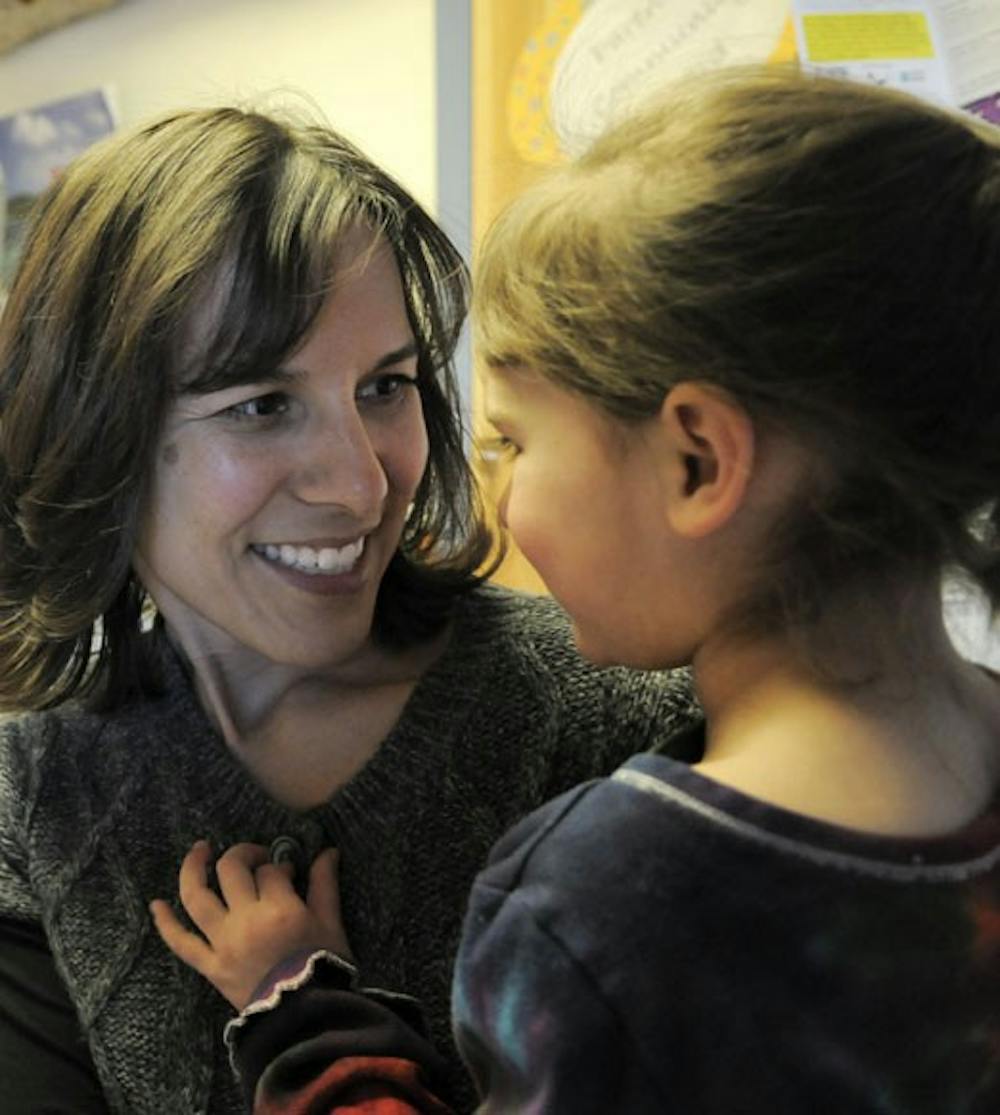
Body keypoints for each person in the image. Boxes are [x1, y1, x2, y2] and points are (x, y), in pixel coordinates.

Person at [155, 66, 1000, 1113]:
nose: (478, 489)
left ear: (695, 461)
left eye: (513, 437)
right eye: (260, 405)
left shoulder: (603, 899)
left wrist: (304, 1011)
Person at [0, 104, 699, 1115]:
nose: (364, 485)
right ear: (96, 433)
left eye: (386, 385)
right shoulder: (34, 793)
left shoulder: (623, 727)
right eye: (261, 404)